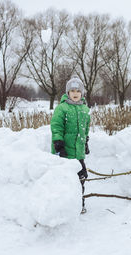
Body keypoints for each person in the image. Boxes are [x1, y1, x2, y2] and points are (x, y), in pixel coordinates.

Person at [50, 76, 90, 214]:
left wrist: (86, 142)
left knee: (81, 178)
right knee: (66, 180)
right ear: (68, 92)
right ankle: (64, 207)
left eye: (78, 91)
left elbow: (86, 128)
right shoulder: (62, 108)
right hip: (65, 153)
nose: (75, 93)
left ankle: (80, 203)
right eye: (72, 90)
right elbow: (56, 126)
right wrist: (58, 143)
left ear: (82, 93)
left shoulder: (85, 109)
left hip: (78, 153)